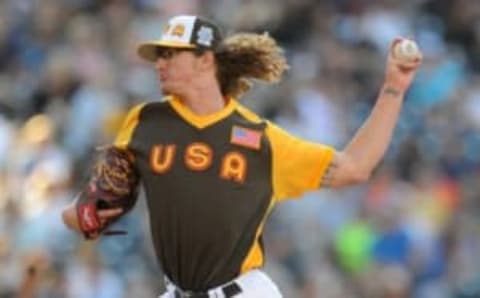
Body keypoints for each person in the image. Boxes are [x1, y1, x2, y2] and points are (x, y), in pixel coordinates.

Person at [62, 15, 422, 298]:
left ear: (205, 61)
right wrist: (81, 215)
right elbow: (95, 207)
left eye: (172, 53)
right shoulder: (145, 122)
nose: (160, 62)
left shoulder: (261, 140)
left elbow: (354, 168)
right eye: (160, 54)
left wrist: (393, 88)